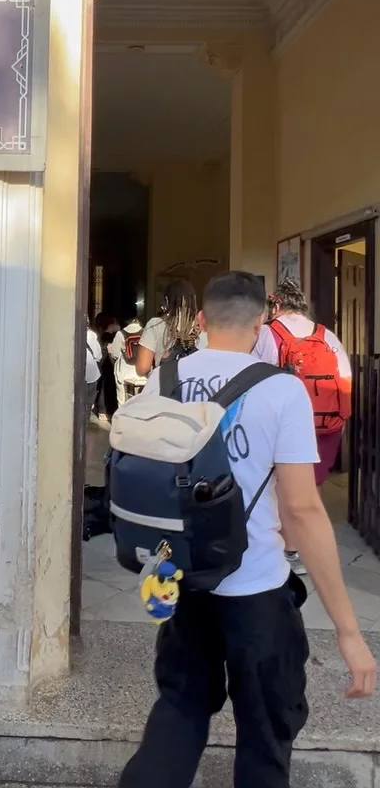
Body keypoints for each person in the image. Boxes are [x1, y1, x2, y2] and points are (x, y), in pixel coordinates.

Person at [119, 271, 376, 788]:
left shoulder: (165, 376)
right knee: (264, 735)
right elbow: (302, 511)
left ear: (200, 320)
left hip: (180, 578)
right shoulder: (282, 390)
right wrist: (349, 633)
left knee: (179, 711)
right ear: (261, 322)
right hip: (255, 587)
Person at [253, 279, 352, 577]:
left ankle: (288, 549)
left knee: (282, 485)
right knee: (313, 485)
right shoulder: (327, 335)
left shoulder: (270, 333)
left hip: (285, 422)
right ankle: (309, 547)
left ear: (277, 305)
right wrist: (341, 421)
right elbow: (345, 380)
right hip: (326, 423)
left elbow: (255, 377)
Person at [135, 279, 207, 377]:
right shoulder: (206, 327)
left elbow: (142, 369)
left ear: (167, 301)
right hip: (197, 389)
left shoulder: (156, 325)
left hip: (165, 388)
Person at [108, 316, 144, 405]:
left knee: (122, 401)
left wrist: (110, 351)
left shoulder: (120, 334)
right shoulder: (145, 332)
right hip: (141, 373)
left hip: (124, 373)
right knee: (141, 402)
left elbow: (115, 355)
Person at [86, 319, 103, 424]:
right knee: (87, 404)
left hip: (77, 375)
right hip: (91, 374)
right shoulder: (91, 335)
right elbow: (98, 355)